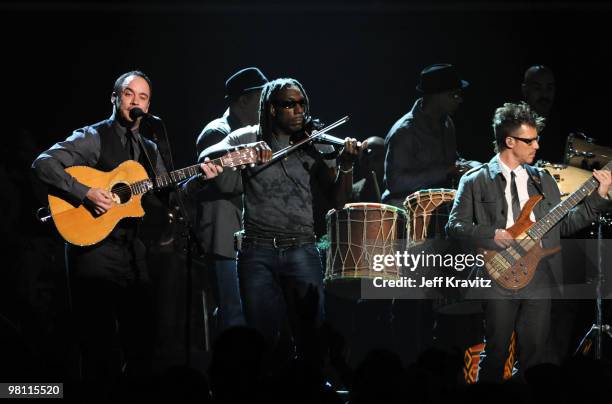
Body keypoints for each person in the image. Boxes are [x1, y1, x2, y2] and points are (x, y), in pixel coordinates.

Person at [31, 71, 222, 387]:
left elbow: (168, 195)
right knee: (98, 345)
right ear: (115, 98)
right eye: (129, 94)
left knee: (141, 345)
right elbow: (43, 163)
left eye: (143, 97)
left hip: (133, 253)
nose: (136, 101)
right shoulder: (92, 137)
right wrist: (85, 192)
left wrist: (200, 177)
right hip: (93, 251)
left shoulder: (149, 148)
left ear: (148, 106)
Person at [200, 77, 366, 362]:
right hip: (256, 251)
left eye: (302, 104)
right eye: (290, 105)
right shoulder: (249, 136)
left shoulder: (316, 142)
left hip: (302, 248)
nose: (299, 111)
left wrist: (347, 165)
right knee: (262, 337)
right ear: (272, 109)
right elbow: (206, 155)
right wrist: (247, 154)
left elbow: (338, 202)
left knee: (311, 332)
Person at [446, 102, 611, 382]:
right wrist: (491, 234)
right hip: (497, 273)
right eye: (529, 140)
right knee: (496, 354)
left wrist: (599, 197)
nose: (537, 145)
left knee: (536, 357)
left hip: (539, 275)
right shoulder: (475, 181)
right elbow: (455, 225)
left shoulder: (542, 180)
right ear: (509, 141)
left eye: (537, 138)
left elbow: (565, 225)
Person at [195, 67, 268, 332]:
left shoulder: (254, 132)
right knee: (233, 312)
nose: (267, 104)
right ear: (244, 100)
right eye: (262, 97)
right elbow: (225, 183)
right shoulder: (217, 133)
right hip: (224, 238)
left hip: (247, 237)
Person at [382, 63, 474, 208]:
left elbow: (452, 161)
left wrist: (475, 167)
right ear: (435, 96)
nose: (459, 99)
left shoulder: (447, 123)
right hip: (405, 213)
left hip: (438, 208)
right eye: (454, 95)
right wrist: (445, 171)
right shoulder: (404, 131)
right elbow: (396, 183)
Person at [521, 65, 565, 163]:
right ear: (525, 90)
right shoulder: (512, 126)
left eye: (549, 88)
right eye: (537, 88)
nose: (544, 94)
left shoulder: (565, 127)